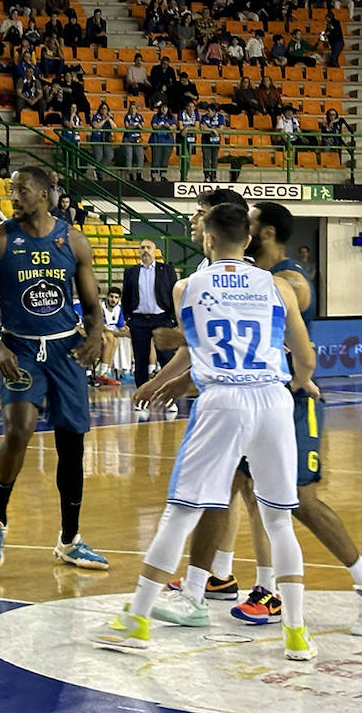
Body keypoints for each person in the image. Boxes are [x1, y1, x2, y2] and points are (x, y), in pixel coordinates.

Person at [93, 202, 318, 661]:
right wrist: (296, 381)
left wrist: (166, 381)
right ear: (249, 240)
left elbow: (198, 351)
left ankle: (136, 620)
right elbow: (307, 358)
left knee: (181, 512)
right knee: (278, 520)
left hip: (223, 400)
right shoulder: (280, 287)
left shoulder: (184, 287)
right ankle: (296, 633)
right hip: (273, 400)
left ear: (208, 240)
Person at [139, 200, 362, 637]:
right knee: (230, 490)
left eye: (255, 221)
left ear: (266, 233)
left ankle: (292, 585)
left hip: (286, 396)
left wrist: (182, 350)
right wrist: (173, 378)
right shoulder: (246, 280)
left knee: (297, 502)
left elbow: (246, 341)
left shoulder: (287, 281)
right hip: (256, 394)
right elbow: (212, 343)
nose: (251, 227)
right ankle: (211, 581)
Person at [0, 166, 107, 572]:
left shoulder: (73, 240)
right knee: (18, 429)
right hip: (19, 349)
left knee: (72, 445)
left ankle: (70, 540)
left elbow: (94, 305)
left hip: (65, 350)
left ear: (45, 193)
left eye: (22, 190)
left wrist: (96, 335)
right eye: (12, 190)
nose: (14, 197)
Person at [121, 239, 179, 394]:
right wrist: (127, 317)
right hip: (138, 320)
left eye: (148, 247)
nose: (145, 250)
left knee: (166, 358)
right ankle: (141, 394)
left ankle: (169, 395)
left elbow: (175, 293)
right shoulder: (131, 272)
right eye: (142, 248)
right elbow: (125, 296)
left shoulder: (166, 270)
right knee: (140, 360)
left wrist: (173, 318)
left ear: (155, 251)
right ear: (139, 251)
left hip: (162, 318)